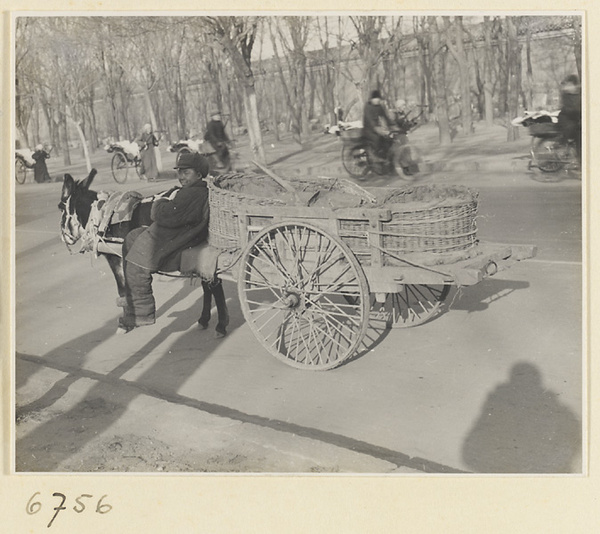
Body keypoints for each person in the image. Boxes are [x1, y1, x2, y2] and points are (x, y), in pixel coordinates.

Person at [118, 152, 211, 333]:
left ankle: (142, 312)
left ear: (199, 174)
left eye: (186, 173)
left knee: (138, 260)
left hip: (179, 235)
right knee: (132, 237)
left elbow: (165, 215)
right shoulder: (195, 190)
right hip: (181, 230)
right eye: (179, 172)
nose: (181, 177)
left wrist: (159, 203)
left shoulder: (190, 194)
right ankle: (131, 296)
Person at [362, 89, 394, 160]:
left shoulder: (379, 106)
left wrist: (391, 124)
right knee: (376, 139)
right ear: (372, 99)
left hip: (376, 127)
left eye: (378, 99)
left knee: (388, 138)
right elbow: (369, 119)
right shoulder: (367, 107)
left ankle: (385, 155)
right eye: (376, 99)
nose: (377, 100)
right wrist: (376, 128)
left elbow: (384, 116)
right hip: (368, 129)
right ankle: (376, 156)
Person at [557, 74, 582, 166]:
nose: (569, 87)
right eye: (569, 84)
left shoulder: (578, 94)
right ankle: (580, 163)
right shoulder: (566, 94)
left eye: (571, 84)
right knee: (579, 137)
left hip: (574, 119)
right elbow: (569, 109)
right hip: (566, 119)